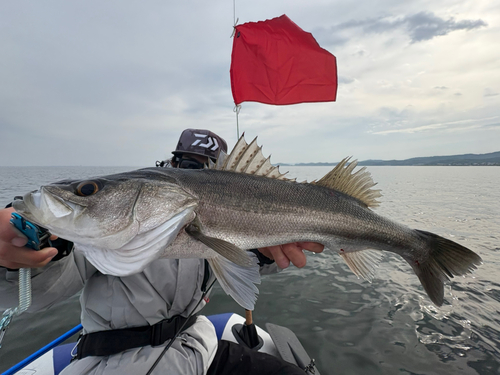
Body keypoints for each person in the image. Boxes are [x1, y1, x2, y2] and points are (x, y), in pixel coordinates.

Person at [0, 129, 324, 375]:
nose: (195, 179)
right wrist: (32, 249)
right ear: (170, 165)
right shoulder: (102, 231)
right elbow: (39, 296)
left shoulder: (208, 221)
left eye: (209, 170)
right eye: (186, 166)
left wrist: (264, 254)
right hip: (115, 363)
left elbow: (240, 262)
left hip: (197, 349)